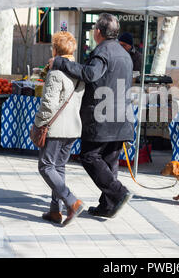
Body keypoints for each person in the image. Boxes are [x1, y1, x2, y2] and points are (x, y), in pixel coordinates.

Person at [49, 13, 134, 218]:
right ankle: (107, 206)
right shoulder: (125, 54)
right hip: (121, 117)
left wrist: (60, 63)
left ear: (98, 32)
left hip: (102, 117)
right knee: (109, 161)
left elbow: (89, 74)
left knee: (89, 156)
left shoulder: (102, 52)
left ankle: (118, 192)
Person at [34, 31, 85, 227]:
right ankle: (55, 211)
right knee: (59, 167)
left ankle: (72, 201)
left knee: (46, 166)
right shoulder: (78, 71)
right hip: (73, 127)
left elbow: (48, 104)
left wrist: (39, 123)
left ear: (55, 49)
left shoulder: (56, 73)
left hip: (56, 128)